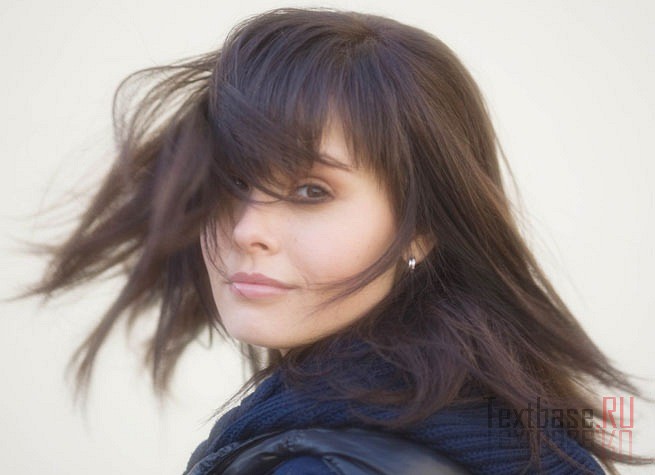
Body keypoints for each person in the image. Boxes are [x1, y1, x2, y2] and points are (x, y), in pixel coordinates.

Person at [22, 7, 652, 474]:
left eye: (310, 191)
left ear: (422, 226)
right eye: (232, 181)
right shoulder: (495, 420)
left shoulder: (327, 464)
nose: (247, 230)